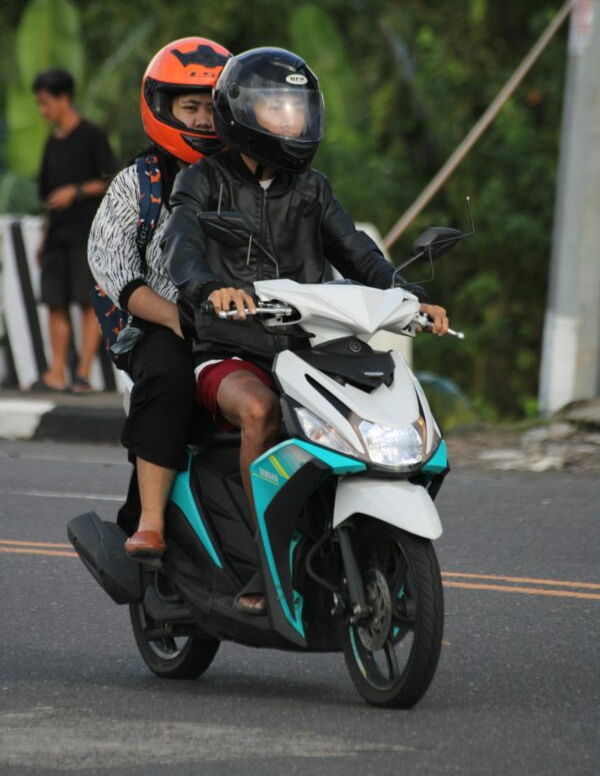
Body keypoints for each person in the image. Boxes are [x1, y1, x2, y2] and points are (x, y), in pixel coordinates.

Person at [161, 46, 449, 612]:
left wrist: (410, 296)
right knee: (261, 412)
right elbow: (182, 249)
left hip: (308, 350)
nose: (290, 120)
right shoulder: (201, 182)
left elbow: (359, 253)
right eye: (275, 107)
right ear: (241, 112)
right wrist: (208, 289)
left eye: (297, 108)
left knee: (362, 421)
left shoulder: (312, 188)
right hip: (228, 349)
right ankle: (262, 568)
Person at [87, 36, 232, 559]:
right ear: (161, 106)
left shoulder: (251, 175)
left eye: (213, 107)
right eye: (189, 106)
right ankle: (148, 522)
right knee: (170, 375)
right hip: (155, 326)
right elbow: (118, 276)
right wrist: (180, 319)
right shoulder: (137, 183)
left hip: (244, 324)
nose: (202, 120)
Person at [32, 68, 116, 392]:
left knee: (86, 301)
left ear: (63, 98)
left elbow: (111, 179)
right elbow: (46, 197)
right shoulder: (51, 144)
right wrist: (43, 237)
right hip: (56, 234)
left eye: (45, 102)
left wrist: (76, 192)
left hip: (85, 232)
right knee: (55, 301)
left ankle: (82, 374)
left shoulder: (91, 135)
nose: (43, 111)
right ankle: (55, 372)